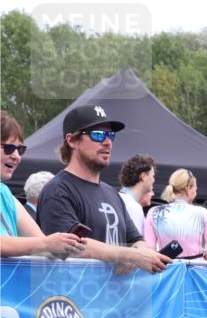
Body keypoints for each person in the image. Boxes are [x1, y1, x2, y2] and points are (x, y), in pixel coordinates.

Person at [36, 104, 169, 273]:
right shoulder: (57, 191)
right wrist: (128, 255)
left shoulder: (112, 193)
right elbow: (71, 247)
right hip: (76, 296)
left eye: (110, 135)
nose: (107, 142)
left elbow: (135, 239)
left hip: (116, 296)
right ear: (71, 140)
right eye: (98, 135)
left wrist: (139, 252)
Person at [0, 111, 85, 258]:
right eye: (8, 148)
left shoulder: (5, 194)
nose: (16, 156)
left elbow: (41, 242)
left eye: (20, 150)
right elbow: (42, 243)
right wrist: (46, 244)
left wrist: (65, 245)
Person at [144, 169, 207, 259]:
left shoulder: (154, 212)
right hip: (196, 269)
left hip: (167, 269)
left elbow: (150, 250)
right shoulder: (202, 213)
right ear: (188, 188)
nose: (195, 193)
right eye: (195, 189)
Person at [118, 154, 156, 234]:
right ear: (143, 176)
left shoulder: (115, 198)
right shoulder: (133, 207)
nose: (153, 180)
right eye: (153, 176)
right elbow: (136, 244)